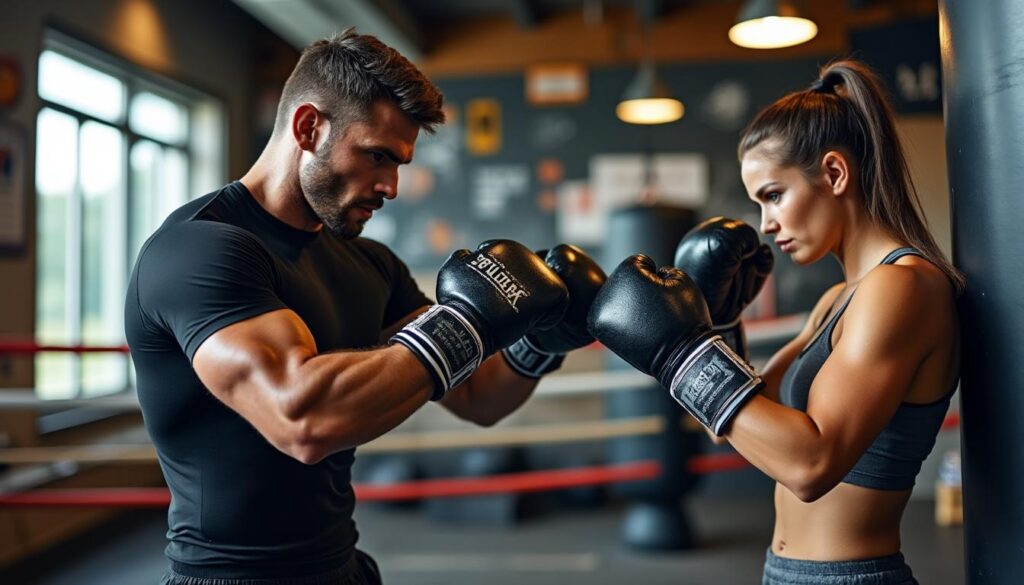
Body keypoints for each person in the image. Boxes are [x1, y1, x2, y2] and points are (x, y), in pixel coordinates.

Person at [124, 29, 605, 585]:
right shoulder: (200, 251)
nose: (391, 186)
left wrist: (539, 344)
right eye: (377, 156)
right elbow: (301, 418)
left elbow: (479, 396)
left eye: (399, 163)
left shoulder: (370, 264)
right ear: (309, 128)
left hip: (340, 566)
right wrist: (467, 320)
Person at [589, 59, 963, 585]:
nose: (765, 224)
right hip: (783, 571)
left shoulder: (902, 287)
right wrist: (718, 327)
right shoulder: (838, 298)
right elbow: (733, 427)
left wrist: (678, 353)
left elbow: (811, 465)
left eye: (773, 195)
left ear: (834, 173)